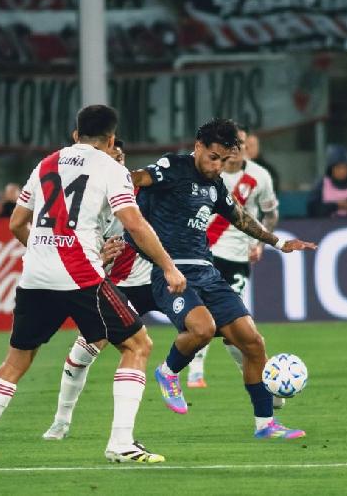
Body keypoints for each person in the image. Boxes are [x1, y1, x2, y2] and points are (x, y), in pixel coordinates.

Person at [0, 105, 187, 466]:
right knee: (138, 344)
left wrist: (43, 249)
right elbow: (135, 223)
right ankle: (121, 443)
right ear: (111, 139)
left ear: (75, 134)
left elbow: (17, 223)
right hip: (80, 274)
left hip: (35, 275)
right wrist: (168, 267)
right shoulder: (111, 168)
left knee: (16, 360)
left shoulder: (46, 163)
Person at [128, 117, 318, 440]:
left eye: (225, 160)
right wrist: (108, 177)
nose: (217, 166)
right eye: (213, 157)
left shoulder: (214, 185)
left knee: (253, 342)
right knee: (203, 329)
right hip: (172, 272)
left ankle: (265, 425)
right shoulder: (171, 168)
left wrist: (278, 242)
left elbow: (240, 218)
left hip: (207, 272)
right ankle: (168, 371)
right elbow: (137, 178)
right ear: (198, 146)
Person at [42, 139, 167, 441]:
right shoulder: (88, 202)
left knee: (207, 324)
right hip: (114, 285)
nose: (118, 161)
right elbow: (79, 254)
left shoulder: (143, 193)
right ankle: (61, 420)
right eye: (113, 156)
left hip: (153, 282)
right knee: (86, 349)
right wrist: (102, 256)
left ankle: (261, 407)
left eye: (121, 156)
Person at [184, 128, 285, 409]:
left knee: (234, 327)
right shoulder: (207, 173)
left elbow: (270, 212)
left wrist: (262, 244)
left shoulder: (259, 176)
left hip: (238, 257)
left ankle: (257, 377)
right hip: (204, 255)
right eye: (233, 144)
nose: (237, 148)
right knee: (204, 318)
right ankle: (196, 371)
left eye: (241, 143)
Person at [307, 144, 347, 218]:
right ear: (331, 169)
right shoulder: (322, 185)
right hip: (327, 227)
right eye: (338, 168)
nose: (341, 171)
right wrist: (337, 205)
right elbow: (313, 211)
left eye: (344, 168)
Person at [243, 129, 280, 195]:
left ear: (258, 147)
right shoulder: (236, 167)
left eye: (252, 145)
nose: (249, 149)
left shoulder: (268, 170)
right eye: (246, 146)